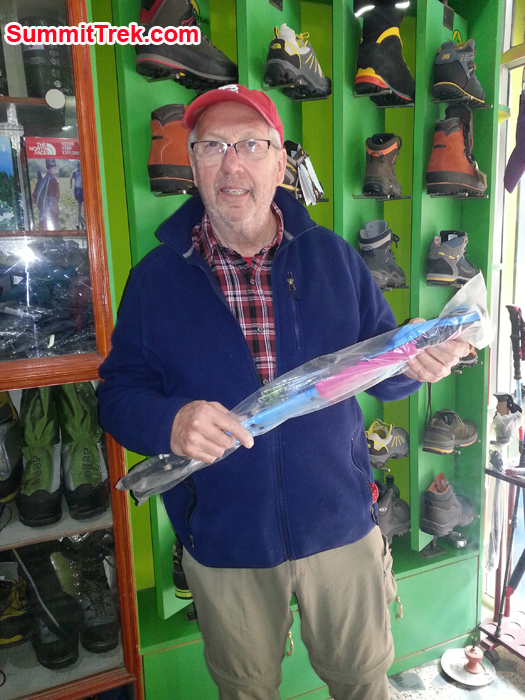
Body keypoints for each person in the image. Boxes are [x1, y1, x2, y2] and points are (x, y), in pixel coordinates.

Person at [97, 85, 470, 700]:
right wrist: (171, 422)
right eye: (213, 147)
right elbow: (117, 396)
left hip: (341, 528)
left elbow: (385, 372)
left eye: (251, 145)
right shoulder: (155, 279)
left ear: (279, 163)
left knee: (363, 684)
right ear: (192, 163)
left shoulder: (335, 259)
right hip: (227, 542)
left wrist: (419, 363)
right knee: (245, 691)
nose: (232, 166)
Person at [32, 158, 60, 230]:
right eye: (55, 165)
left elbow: (33, 200)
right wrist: (60, 211)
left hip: (41, 219)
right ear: (54, 166)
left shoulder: (40, 180)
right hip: (52, 220)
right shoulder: (53, 181)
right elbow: (53, 204)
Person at [69, 161, 84, 229]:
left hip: (76, 190)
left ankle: (80, 220)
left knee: (79, 206)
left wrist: (70, 185)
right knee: (80, 208)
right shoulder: (82, 172)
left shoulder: (74, 172)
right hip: (80, 191)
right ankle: (78, 223)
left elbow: (70, 179)